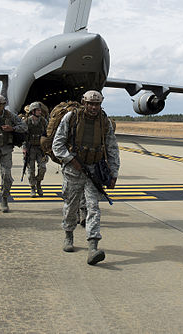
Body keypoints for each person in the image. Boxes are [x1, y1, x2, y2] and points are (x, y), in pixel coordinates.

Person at [53, 90, 120, 265]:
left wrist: (113, 173)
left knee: (93, 208)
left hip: (94, 171)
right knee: (71, 205)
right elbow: (57, 144)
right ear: (84, 102)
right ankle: (68, 235)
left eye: (96, 104)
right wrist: (71, 160)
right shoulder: (71, 118)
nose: (93, 107)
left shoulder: (104, 122)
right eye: (90, 103)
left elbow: (112, 149)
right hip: (73, 170)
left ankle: (93, 246)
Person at [23, 102, 48, 197]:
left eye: (40, 110)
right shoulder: (27, 122)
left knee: (42, 168)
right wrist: (24, 148)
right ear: (32, 111)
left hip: (40, 148)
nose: (39, 112)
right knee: (31, 170)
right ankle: (33, 187)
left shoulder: (43, 121)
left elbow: (47, 133)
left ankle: (38, 183)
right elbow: (23, 136)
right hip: (30, 148)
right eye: (38, 110)